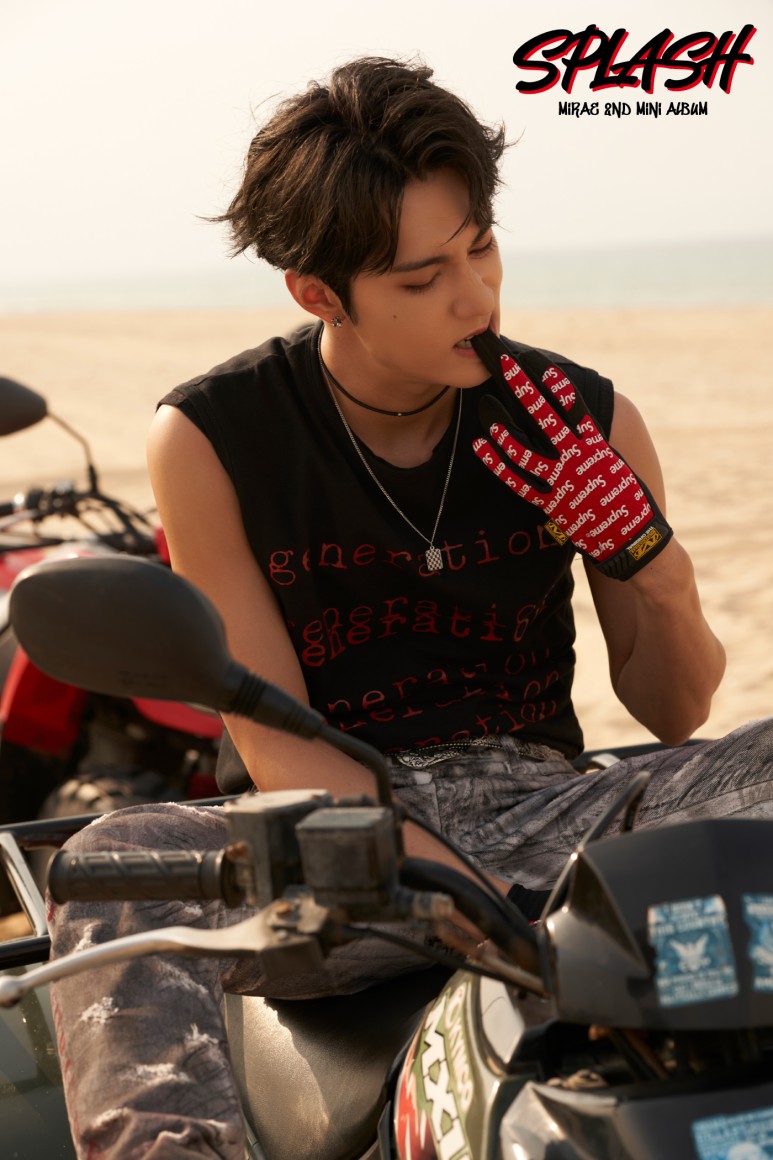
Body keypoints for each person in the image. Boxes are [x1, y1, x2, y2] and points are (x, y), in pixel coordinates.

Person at [47, 57, 771, 1159]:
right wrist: (493, 913)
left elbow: (673, 712)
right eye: (421, 277)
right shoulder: (211, 436)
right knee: (112, 862)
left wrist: (651, 567)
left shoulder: (579, 419)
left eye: (480, 247)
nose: (474, 298)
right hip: (331, 846)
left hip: (546, 807)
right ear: (316, 291)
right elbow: (284, 751)